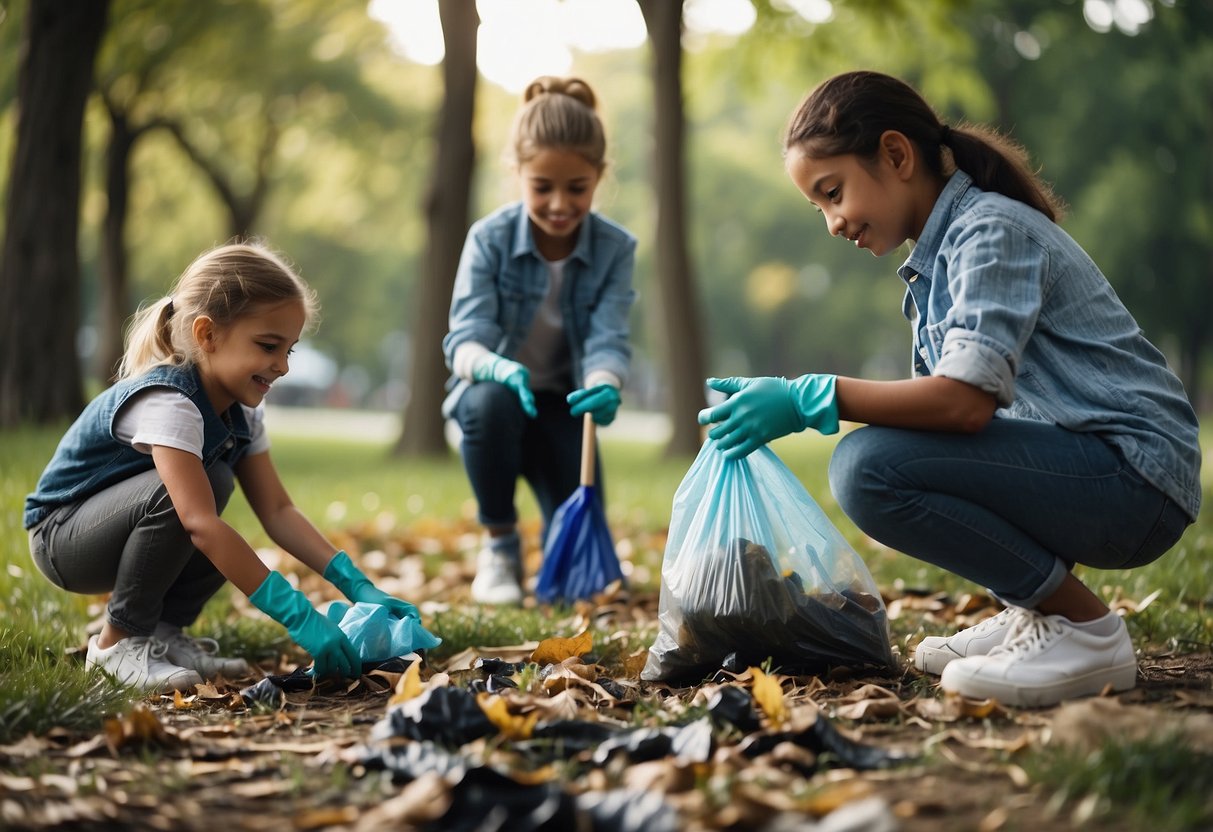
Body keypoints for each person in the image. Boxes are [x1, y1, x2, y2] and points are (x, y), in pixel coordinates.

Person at [697, 70, 1201, 707]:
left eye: (833, 192)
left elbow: (963, 404)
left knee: (867, 467)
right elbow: (955, 429)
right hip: (1096, 470)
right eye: (818, 206)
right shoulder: (936, 259)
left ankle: (1085, 631)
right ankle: (1036, 612)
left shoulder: (989, 232)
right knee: (889, 456)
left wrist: (807, 398)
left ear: (896, 155)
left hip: (1134, 478)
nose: (831, 222)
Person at [25, 242, 435, 693]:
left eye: (290, 351)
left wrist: (355, 584)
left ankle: (163, 633)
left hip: (116, 532)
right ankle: (116, 647)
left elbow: (278, 511)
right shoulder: (171, 402)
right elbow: (197, 524)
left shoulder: (243, 413)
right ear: (207, 335)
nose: (281, 366)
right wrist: (299, 616)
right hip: (64, 539)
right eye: (267, 346)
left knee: (214, 483)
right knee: (188, 502)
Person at [443, 76, 637, 605]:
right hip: (502, 402)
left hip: (564, 408)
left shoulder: (616, 249)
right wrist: (498, 368)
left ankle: (556, 547)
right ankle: (501, 546)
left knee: (578, 580)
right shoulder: (488, 239)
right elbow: (464, 341)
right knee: (486, 402)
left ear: (598, 176)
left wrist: (605, 381)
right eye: (542, 187)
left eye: (576, 187)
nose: (558, 203)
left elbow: (608, 337)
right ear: (518, 174)